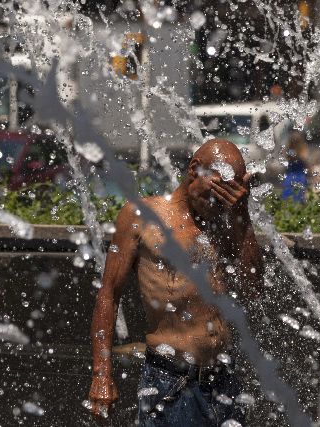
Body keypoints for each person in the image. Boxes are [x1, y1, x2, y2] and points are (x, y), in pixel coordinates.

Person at [88, 139, 264, 426]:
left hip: (223, 381)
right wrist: (101, 375)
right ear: (194, 169)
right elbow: (108, 294)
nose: (219, 202)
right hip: (171, 382)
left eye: (227, 196)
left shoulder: (227, 222)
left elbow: (254, 288)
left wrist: (242, 214)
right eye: (215, 191)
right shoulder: (142, 216)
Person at [281, 130, 309, 202]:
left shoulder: (290, 150)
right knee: (297, 197)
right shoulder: (302, 150)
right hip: (299, 176)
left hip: (291, 176)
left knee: (290, 198)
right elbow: (306, 163)